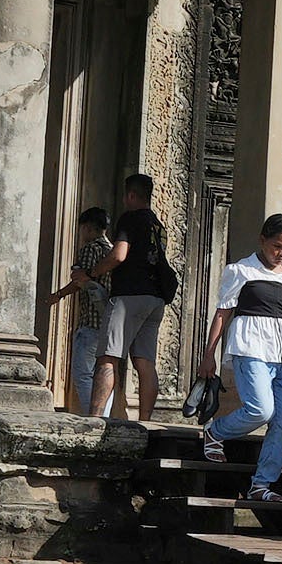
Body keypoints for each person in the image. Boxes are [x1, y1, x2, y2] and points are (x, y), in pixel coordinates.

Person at [191, 215, 282, 507]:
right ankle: (215, 432)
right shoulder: (241, 270)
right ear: (263, 240)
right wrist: (209, 355)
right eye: (277, 246)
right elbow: (222, 313)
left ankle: (262, 484)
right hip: (250, 345)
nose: (281, 253)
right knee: (260, 409)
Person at [93, 171, 175, 424]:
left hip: (129, 295)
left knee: (108, 357)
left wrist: (93, 271)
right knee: (145, 361)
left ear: (130, 195)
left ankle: (94, 418)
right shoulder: (157, 226)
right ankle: (146, 421)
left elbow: (119, 255)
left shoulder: (130, 219)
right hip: (155, 299)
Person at [60, 208, 115, 415]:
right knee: (105, 371)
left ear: (88, 228)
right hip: (109, 322)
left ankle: (92, 416)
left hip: (91, 321)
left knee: (83, 373)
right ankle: (105, 416)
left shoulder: (90, 249)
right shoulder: (112, 250)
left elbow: (80, 280)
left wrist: (58, 295)